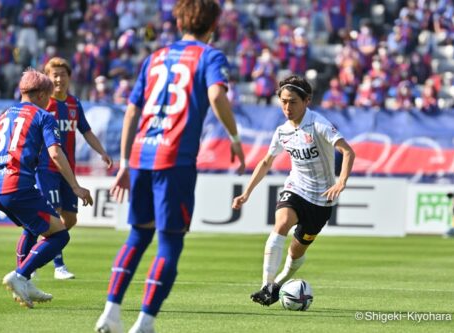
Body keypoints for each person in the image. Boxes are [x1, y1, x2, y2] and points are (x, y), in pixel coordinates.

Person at [95, 1, 246, 332]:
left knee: (137, 236)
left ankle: (110, 312)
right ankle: (145, 322)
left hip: (141, 156)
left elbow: (132, 111)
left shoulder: (154, 58)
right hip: (174, 159)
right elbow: (218, 96)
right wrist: (234, 137)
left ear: (179, 23)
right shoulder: (210, 56)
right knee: (170, 241)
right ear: (213, 25)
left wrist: (124, 162)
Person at [0, 69, 93, 308]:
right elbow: (55, 153)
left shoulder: (2, 117)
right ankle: (20, 276)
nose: (50, 101)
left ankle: (26, 282)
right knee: (60, 234)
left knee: (33, 228)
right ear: (40, 94)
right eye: (48, 96)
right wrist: (76, 186)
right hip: (19, 186)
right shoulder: (43, 116)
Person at [232, 75, 355, 307]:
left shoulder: (319, 124)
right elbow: (267, 162)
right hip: (296, 188)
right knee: (281, 223)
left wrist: (341, 182)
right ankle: (266, 285)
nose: (287, 107)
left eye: (293, 102)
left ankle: (278, 283)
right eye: (283, 101)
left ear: (307, 100)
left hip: (321, 200)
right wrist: (246, 193)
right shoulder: (282, 132)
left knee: (296, 254)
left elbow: (348, 152)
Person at [27, 57, 112, 280]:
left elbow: (86, 131)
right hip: (47, 167)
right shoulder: (43, 105)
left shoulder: (74, 104)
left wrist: (102, 152)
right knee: (52, 215)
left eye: (62, 74)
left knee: (70, 219)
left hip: (68, 170)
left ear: (69, 77)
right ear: (46, 79)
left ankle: (36, 255)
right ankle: (58, 266)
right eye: (53, 75)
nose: (58, 78)